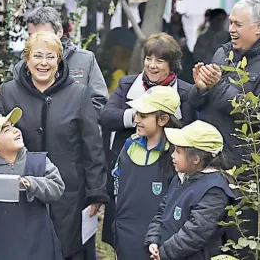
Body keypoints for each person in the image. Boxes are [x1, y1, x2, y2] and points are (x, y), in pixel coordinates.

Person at [0, 31, 108, 260]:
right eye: (37, 56)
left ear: (59, 60)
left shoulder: (79, 94)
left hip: (69, 191)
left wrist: (96, 193)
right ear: (27, 59)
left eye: (51, 57)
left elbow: (92, 146)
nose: (44, 63)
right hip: (24, 189)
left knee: (68, 249)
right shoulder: (10, 92)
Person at [99, 32, 196, 248]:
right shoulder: (127, 85)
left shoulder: (187, 92)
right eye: (148, 58)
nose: (152, 65)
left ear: (173, 65)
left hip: (167, 170)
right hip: (130, 172)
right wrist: (140, 117)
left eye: (160, 60)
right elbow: (106, 116)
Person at [189, 0, 260, 260]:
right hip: (209, 166)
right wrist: (200, 87)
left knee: (241, 243)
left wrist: (218, 85)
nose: (231, 29)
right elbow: (197, 102)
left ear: (258, 28)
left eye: (238, 24)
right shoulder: (223, 53)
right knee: (207, 242)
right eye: (230, 22)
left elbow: (253, 115)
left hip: (243, 174)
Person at [0, 107, 65, 260]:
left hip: (39, 244)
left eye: (13, 126)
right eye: (6, 130)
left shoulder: (39, 161)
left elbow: (57, 187)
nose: (16, 131)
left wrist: (31, 183)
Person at [145, 120, 236, 260]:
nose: (172, 155)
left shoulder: (214, 191)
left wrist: (164, 253)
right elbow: (162, 212)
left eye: (178, 152)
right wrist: (154, 239)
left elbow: (195, 233)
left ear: (196, 159)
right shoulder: (181, 178)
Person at [113, 86, 182, 260]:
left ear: (163, 119)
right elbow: (118, 182)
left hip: (158, 241)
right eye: (136, 114)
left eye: (143, 116)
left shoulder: (176, 155)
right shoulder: (129, 144)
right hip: (125, 234)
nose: (136, 119)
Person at [13, 6, 108, 118]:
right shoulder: (22, 67)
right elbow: (16, 106)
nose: (38, 40)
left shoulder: (85, 59)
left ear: (59, 32)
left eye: (45, 35)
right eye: (32, 35)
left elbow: (99, 101)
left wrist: (73, 122)